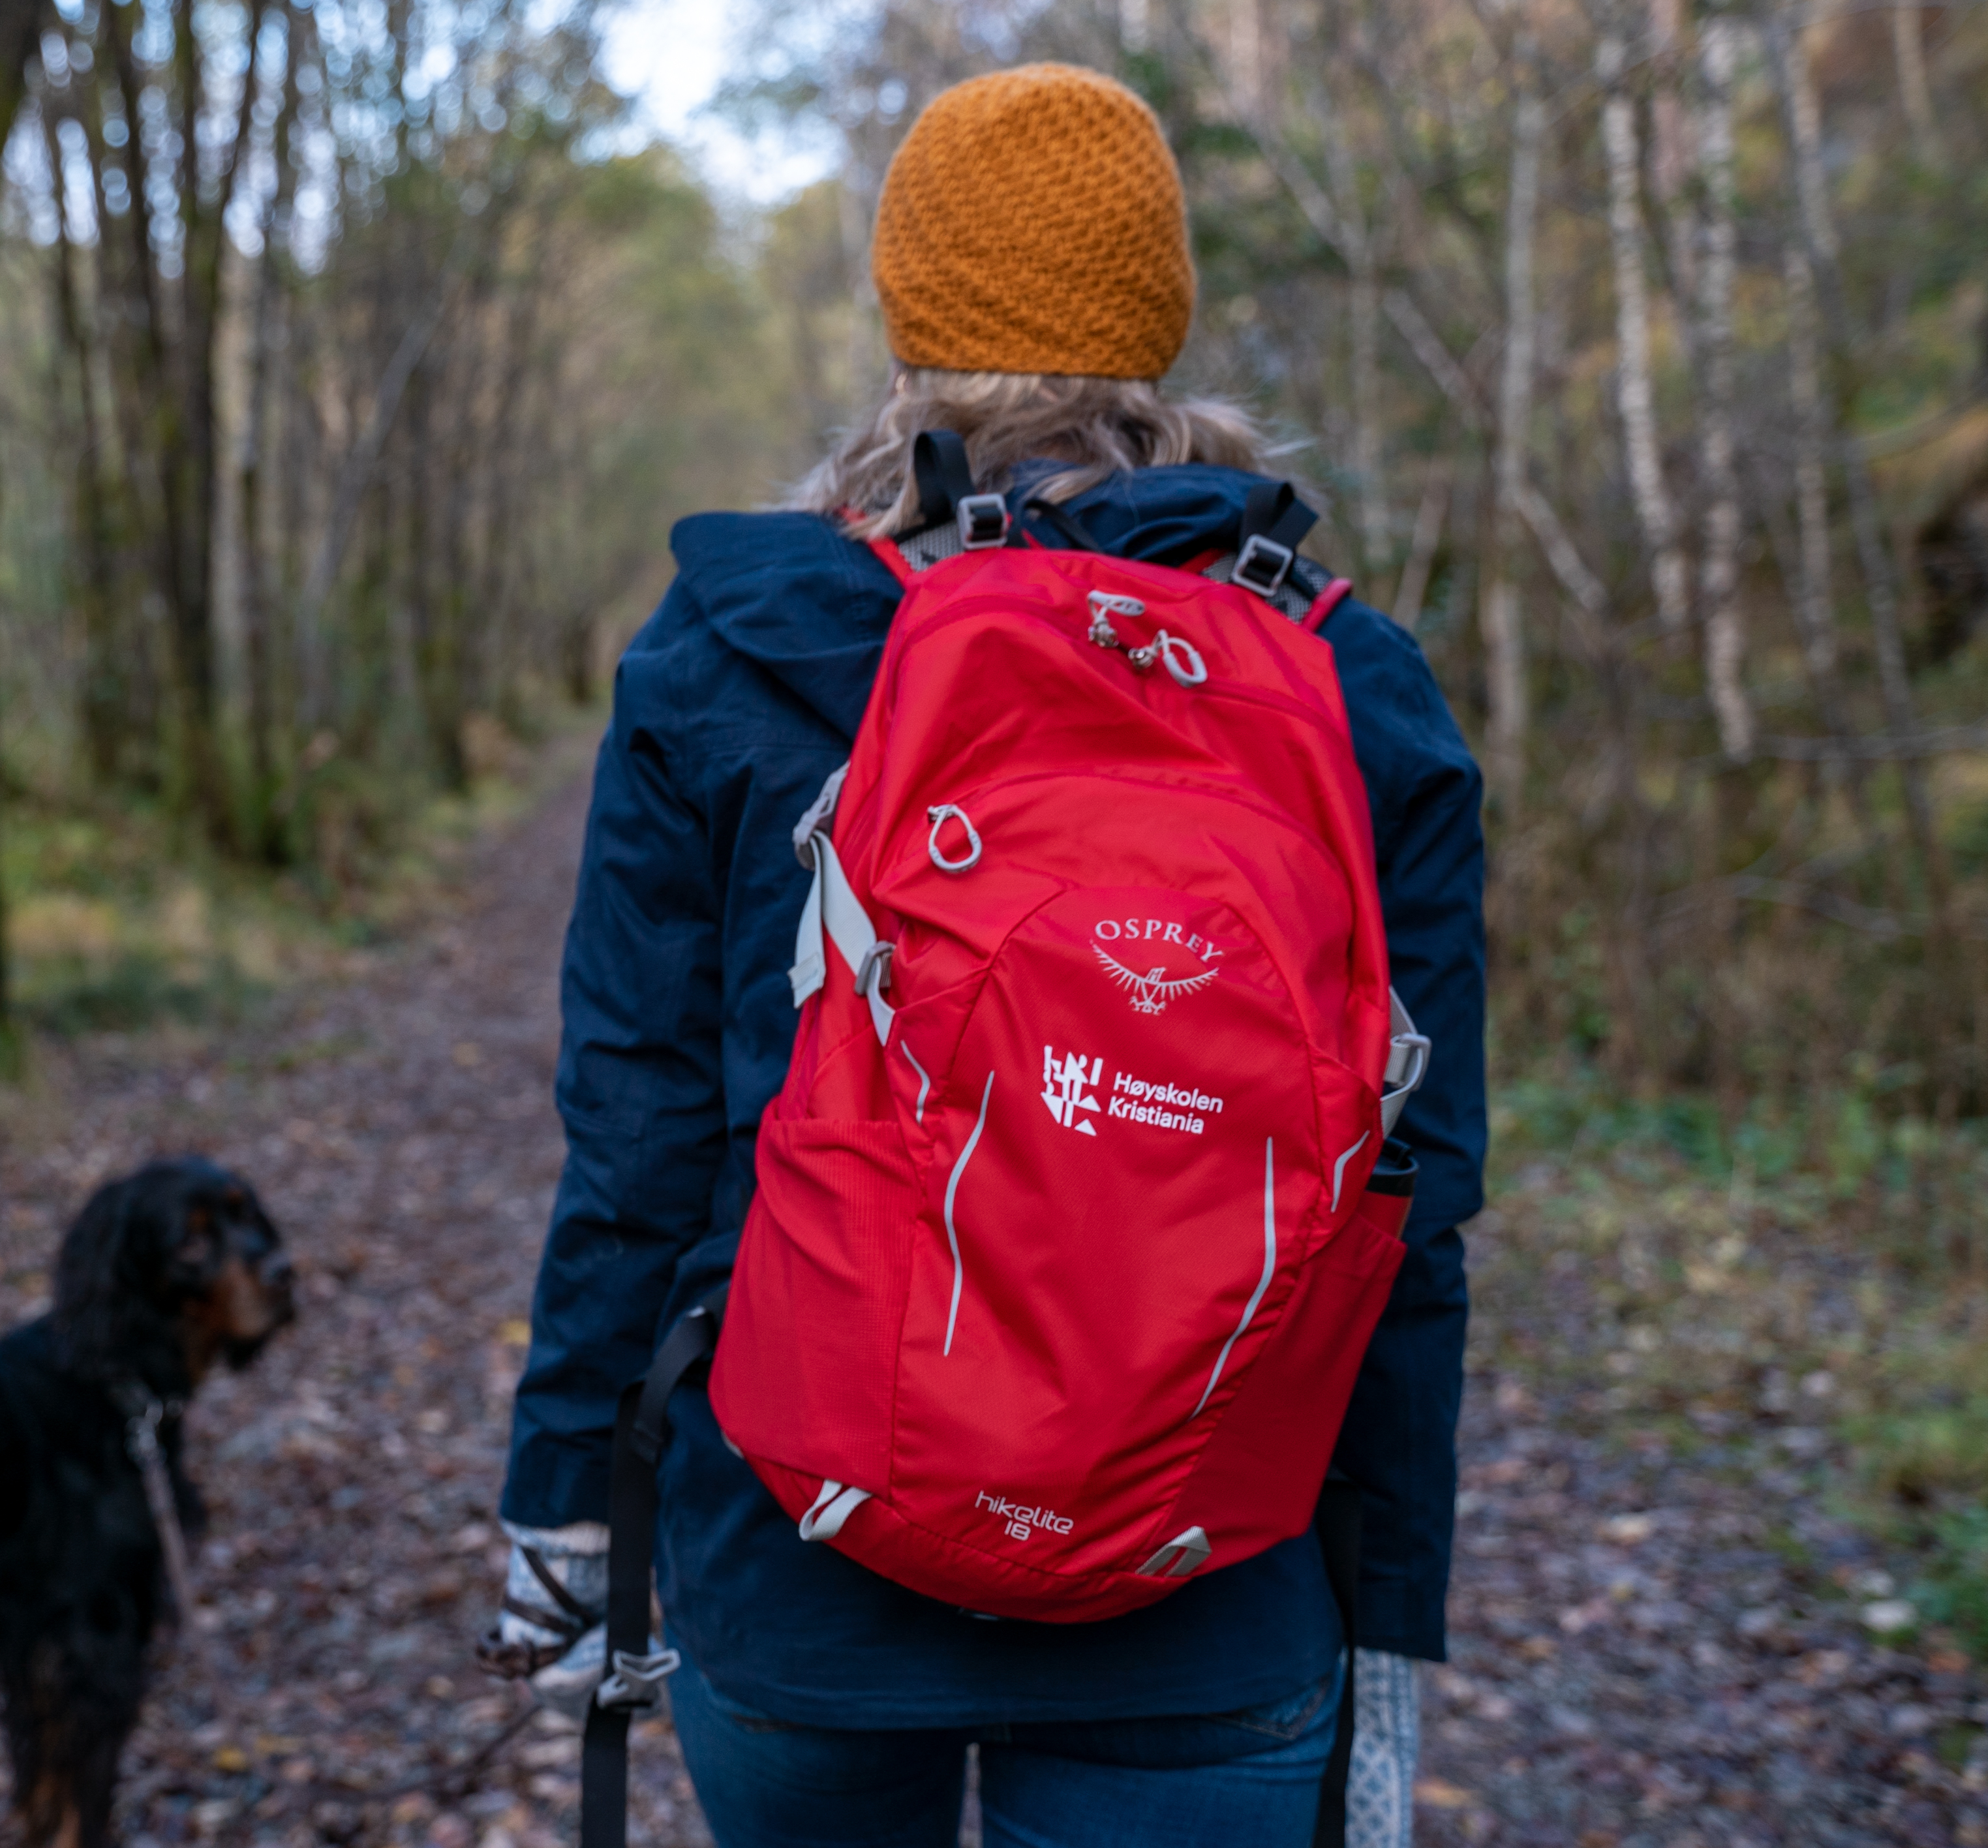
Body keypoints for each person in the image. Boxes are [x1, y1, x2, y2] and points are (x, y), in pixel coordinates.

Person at [487, 63, 1484, 1848]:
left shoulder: (737, 644)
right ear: (1159, 314)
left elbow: (636, 1139)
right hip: (1212, 1590)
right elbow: (1416, 1196)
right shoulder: (1345, 682)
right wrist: (1391, 1633)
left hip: (794, 1561)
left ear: (903, 310)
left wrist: (565, 1498)